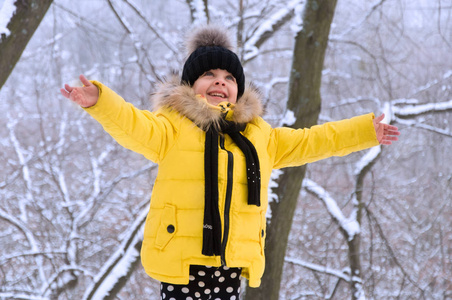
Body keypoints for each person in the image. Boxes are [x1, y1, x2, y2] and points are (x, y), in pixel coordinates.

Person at [60, 25, 399, 300]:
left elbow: (313, 140)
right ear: (192, 85)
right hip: (183, 261)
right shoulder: (172, 128)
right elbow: (133, 124)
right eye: (209, 74)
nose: (220, 81)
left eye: (229, 77)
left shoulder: (259, 136)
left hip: (232, 264)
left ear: (238, 90)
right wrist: (100, 103)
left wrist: (362, 132)